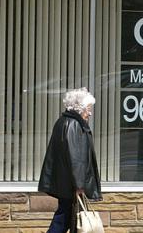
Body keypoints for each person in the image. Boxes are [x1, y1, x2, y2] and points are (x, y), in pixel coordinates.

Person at [38, 87, 102, 233]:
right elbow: (76, 158)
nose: (90, 113)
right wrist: (79, 185)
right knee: (63, 219)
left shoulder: (63, 121)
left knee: (69, 218)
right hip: (70, 184)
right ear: (79, 108)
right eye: (88, 109)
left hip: (65, 182)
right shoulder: (74, 125)